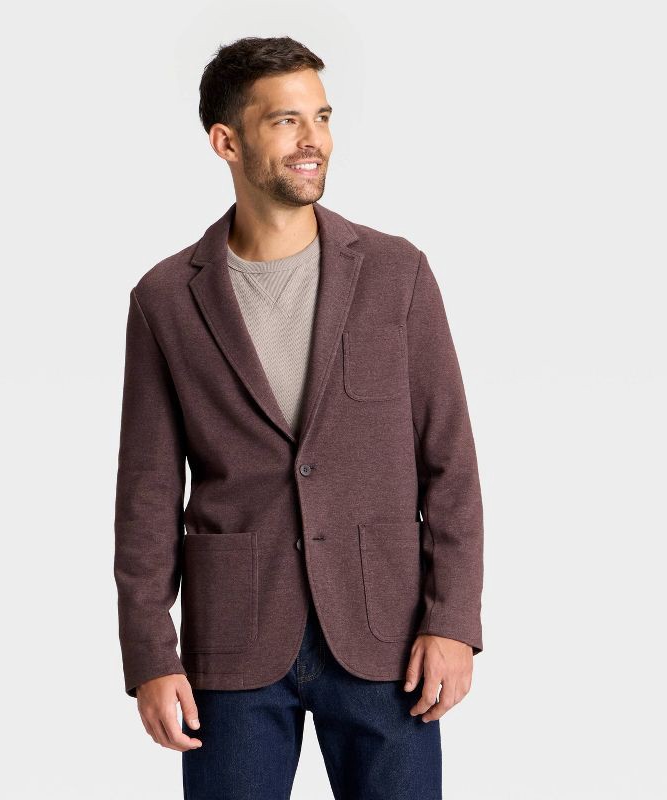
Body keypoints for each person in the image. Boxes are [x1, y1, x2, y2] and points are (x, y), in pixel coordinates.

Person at [113, 35, 484, 799]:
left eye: (321, 116)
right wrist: (150, 652)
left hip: (387, 637)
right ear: (227, 142)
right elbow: (146, 495)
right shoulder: (165, 300)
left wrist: (453, 618)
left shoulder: (397, 273)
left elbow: (450, 462)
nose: (313, 139)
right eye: (285, 121)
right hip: (233, 642)